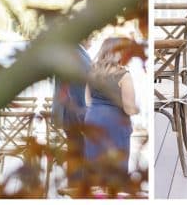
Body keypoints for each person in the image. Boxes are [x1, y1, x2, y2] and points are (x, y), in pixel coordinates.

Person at [83, 37, 139, 178]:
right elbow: (129, 109)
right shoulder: (124, 75)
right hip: (115, 124)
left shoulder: (92, 71)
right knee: (116, 171)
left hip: (92, 120)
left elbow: (88, 100)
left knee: (93, 166)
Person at [50, 41, 91, 188]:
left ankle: (77, 185)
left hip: (76, 108)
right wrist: (80, 110)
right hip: (72, 109)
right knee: (77, 148)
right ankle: (76, 187)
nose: (92, 38)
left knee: (78, 148)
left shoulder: (77, 50)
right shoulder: (72, 51)